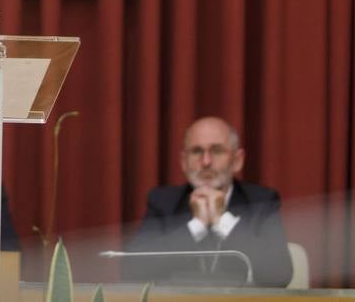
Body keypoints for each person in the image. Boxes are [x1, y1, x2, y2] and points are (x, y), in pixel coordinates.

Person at [123, 116, 291, 286]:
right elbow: (132, 269)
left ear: (237, 160)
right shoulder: (163, 202)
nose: (206, 162)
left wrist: (223, 221)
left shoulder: (261, 202)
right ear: (183, 161)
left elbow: (279, 275)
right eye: (197, 151)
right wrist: (197, 226)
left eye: (217, 151)